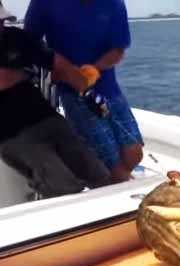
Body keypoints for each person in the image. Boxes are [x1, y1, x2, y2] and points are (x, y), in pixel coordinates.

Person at [25, 0, 144, 183]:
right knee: (112, 164)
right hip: (73, 94)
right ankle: (117, 190)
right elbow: (28, 43)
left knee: (134, 154)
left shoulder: (113, 3)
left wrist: (93, 70)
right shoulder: (44, 3)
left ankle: (119, 181)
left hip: (109, 89)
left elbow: (118, 49)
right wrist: (61, 70)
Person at [0, 1, 110, 198]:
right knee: (62, 187)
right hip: (11, 134)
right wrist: (22, 73)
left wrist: (86, 90)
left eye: (1, 22)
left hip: (45, 117)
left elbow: (58, 64)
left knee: (99, 175)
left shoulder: (17, 39)